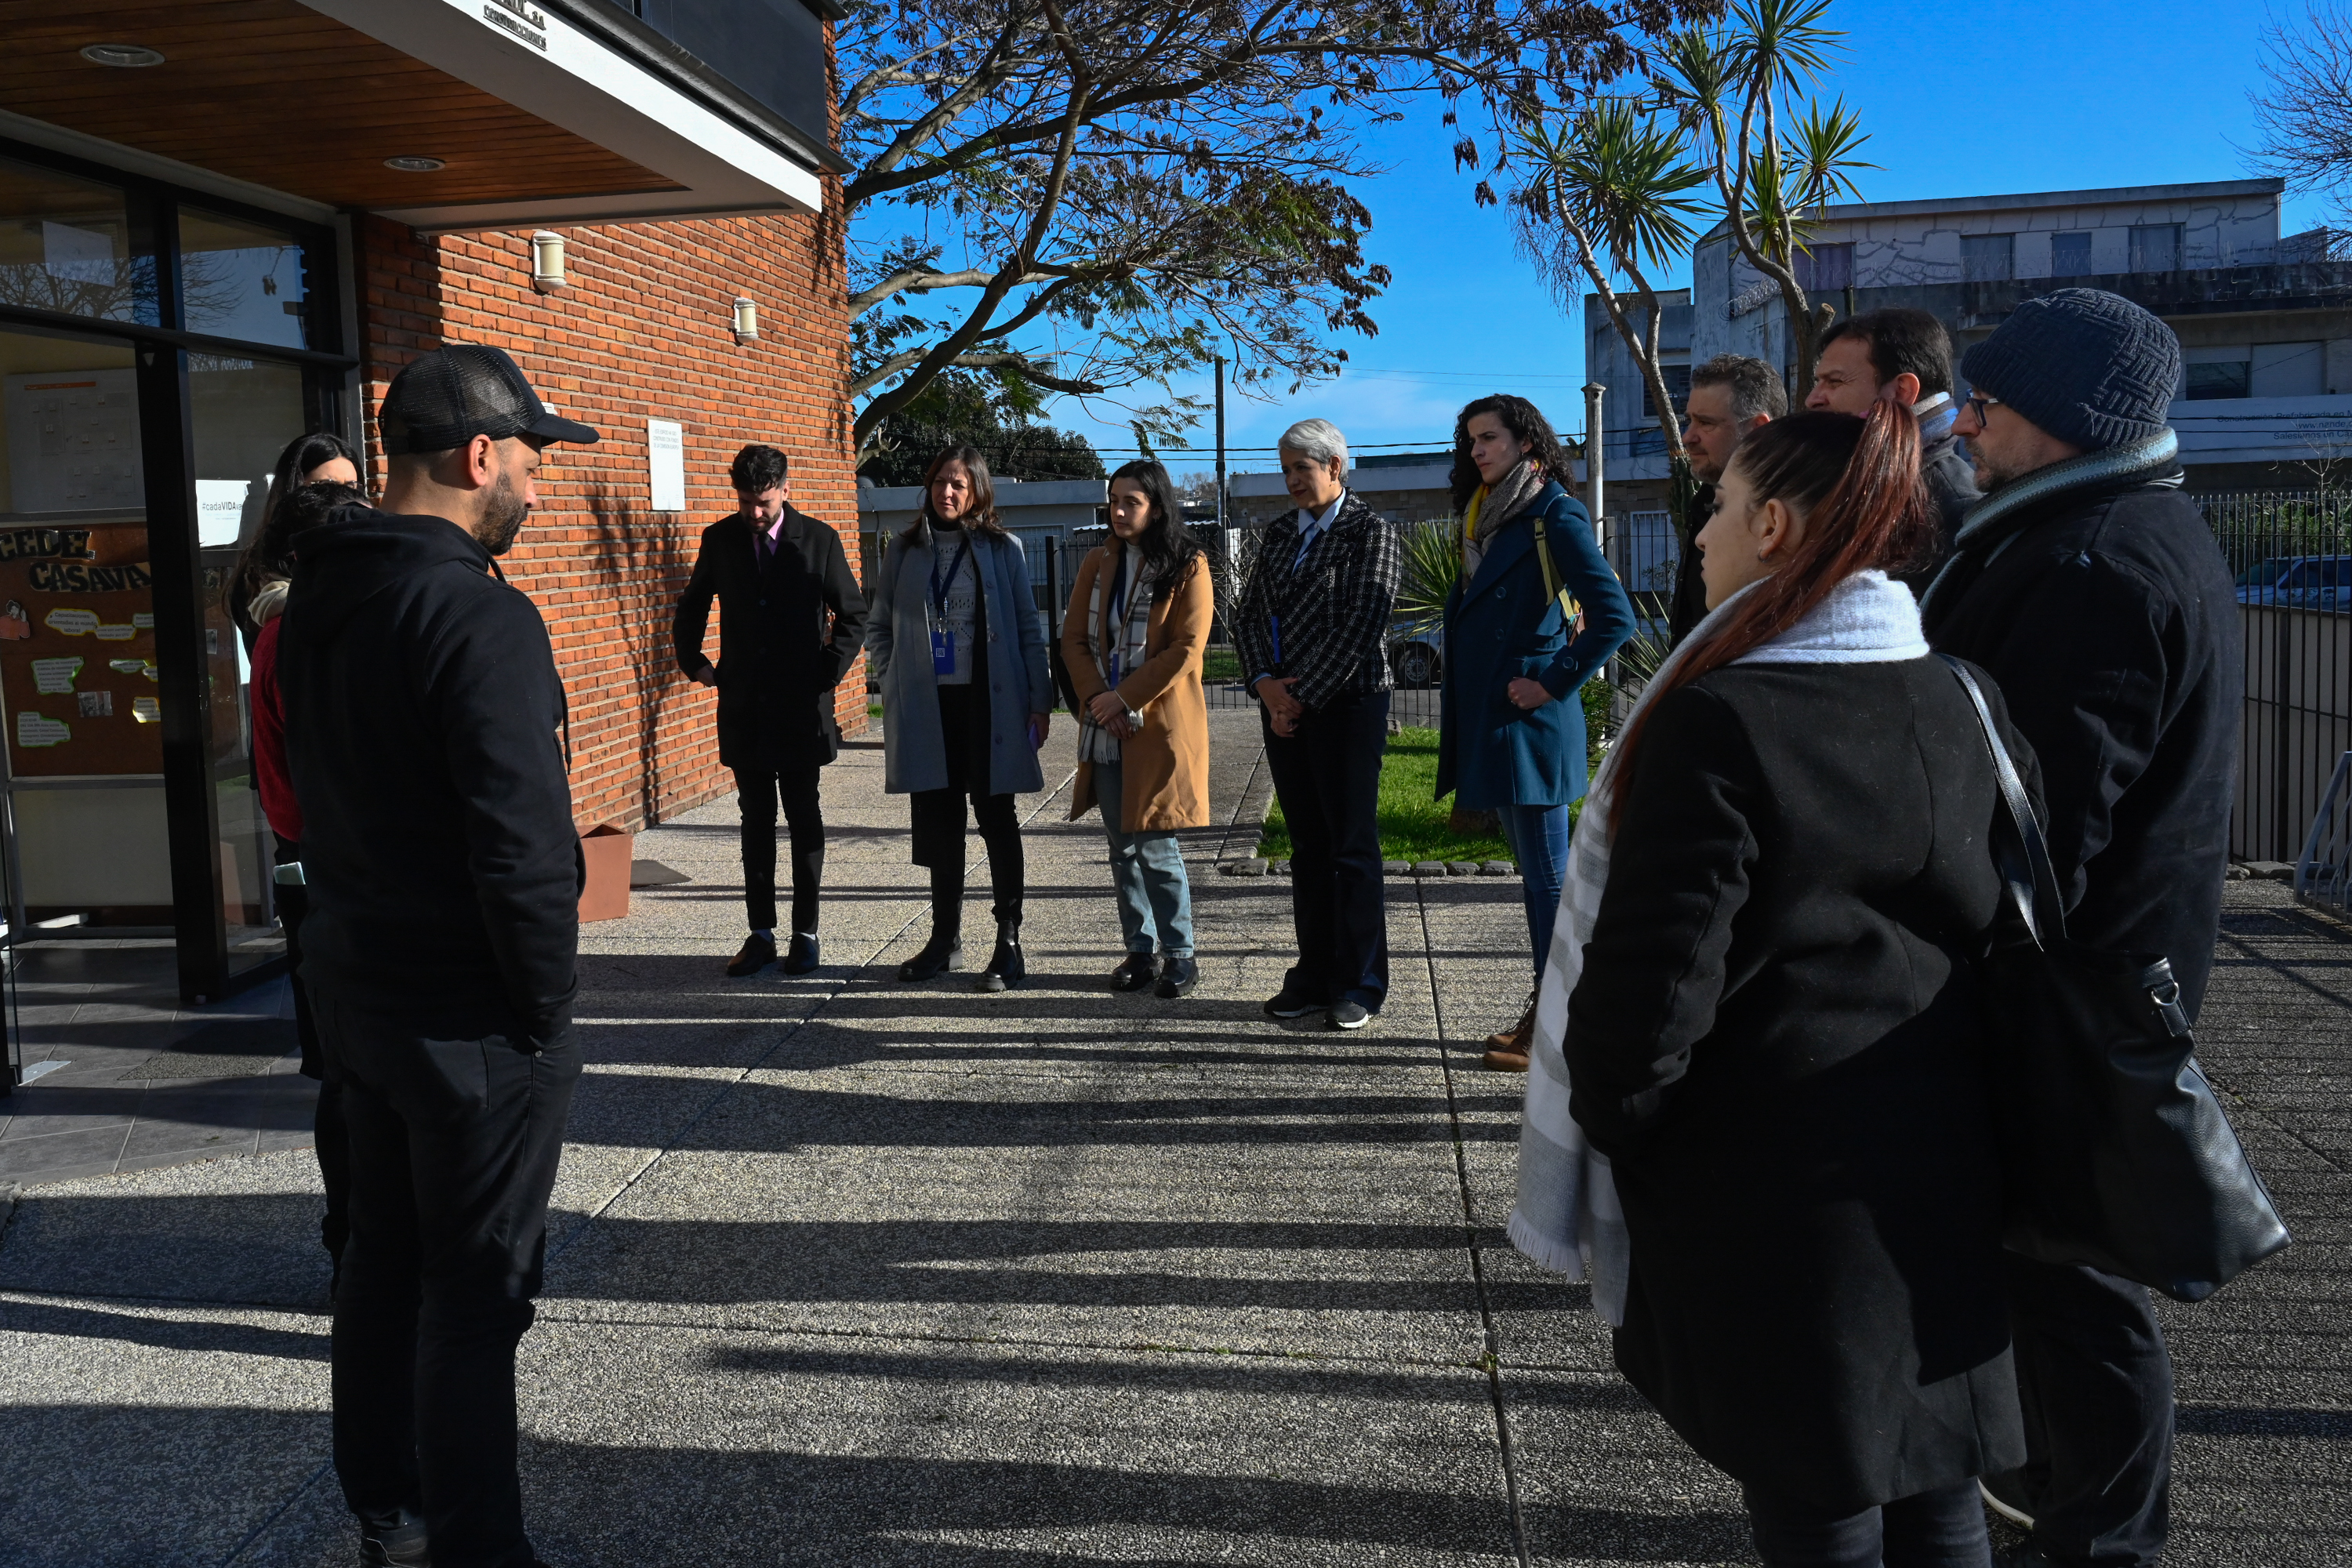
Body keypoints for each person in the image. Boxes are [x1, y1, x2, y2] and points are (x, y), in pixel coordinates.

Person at [1564, 404, 2030, 1567]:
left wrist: (1620, 1126)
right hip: (1952, 1150)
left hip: (1772, 1184)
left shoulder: (1721, 719)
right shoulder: (1964, 695)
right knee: (1938, 1483)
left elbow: (1651, 993)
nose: (1706, 538)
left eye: (1718, 509)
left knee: (1815, 1499)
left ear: (1773, 526)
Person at [1923, 289, 2240, 1568]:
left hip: (2074, 992)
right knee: (2048, 1268)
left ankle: (2104, 1538)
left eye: (1983, 406)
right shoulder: (2092, 530)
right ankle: (2061, 1498)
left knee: (2076, 1278)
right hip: (2093, 979)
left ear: (2054, 422)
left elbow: (2040, 821)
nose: (1962, 425)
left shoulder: (2089, 562)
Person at [280, 342, 598, 1568]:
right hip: (470, 1018)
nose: (534, 483)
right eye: (528, 458)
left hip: (357, 988)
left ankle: (388, 1512)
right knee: (472, 1300)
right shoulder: (476, 612)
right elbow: (522, 850)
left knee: (380, 1263)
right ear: (477, 457)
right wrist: (549, 1012)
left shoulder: (322, 594)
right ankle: (476, 1548)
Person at [1432, 394, 1632, 1069]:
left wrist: (1552, 680)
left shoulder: (1553, 515)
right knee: (1537, 879)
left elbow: (1614, 617)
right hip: (1498, 722)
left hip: (1531, 723)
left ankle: (1557, 1025)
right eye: (1470, 441)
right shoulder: (1484, 518)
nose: (1478, 450)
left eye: (1489, 438)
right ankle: (1554, 1015)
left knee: (1548, 881)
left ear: (1526, 443)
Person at [232, 452, 363, 1288]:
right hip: (327, 872)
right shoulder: (290, 623)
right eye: (328, 493)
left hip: (322, 861)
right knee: (347, 1071)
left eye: (352, 490)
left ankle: (356, 1247)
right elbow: (281, 789)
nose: (343, 506)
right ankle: (354, 1241)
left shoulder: (298, 626)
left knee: (349, 1073)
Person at [1231, 418, 1401, 1030]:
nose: (1292, 482)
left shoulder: (1371, 533)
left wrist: (1302, 698)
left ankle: (1360, 983)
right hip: (1283, 708)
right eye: (1285, 471)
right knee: (1308, 847)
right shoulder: (1278, 533)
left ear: (1335, 467)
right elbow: (1247, 617)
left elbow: (1365, 621)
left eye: (1301, 469)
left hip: (1349, 704)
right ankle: (1314, 974)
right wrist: (1267, 688)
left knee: (1351, 848)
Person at [673, 443, 867, 978]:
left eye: (762, 502)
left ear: (785, 488)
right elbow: (692, 605)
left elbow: (853, 616)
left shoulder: (820, 541)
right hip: (744, 707)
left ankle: (806, 933)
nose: (754, 513)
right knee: (755, 821)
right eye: (745, 502)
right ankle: (760, 933)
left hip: (801, 710)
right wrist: (696, 663)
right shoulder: (720, 539)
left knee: (804, 818)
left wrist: (825, 675)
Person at [866, 446, 1051, 991]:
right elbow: (879, 626)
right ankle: (944, 938)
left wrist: (1039, 701)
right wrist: (894, 674)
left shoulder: (1003, 549)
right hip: (928, 708)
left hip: (989, 704)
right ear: (928, 486)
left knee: (997, 820)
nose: (948, 493)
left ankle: (1008, 941)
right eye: (941, 482)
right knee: (940, 827)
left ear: (977, 493)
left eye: (960, 485)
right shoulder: (903, 552)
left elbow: (1028, 630)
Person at [1061, 459, 1213, 998]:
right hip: (1106, 728)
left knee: (1155, 845)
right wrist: (1102, 703)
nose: (1119, 511)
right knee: (1120, 848)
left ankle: (1181, 955)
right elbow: (1074, 640)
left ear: (1156, 506)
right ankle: (1139, 951)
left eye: (1132, 502)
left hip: (1157, 727)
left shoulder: (1188, 564)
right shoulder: (1098, 561)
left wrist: (1123, 699)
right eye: (1114, 501)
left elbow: (1186, 649)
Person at [1806, 307, 1980, 585]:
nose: (1813, 400)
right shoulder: (1855, 483)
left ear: (1901, 392)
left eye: (1834, 382)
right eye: (1818, 382)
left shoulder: (1959, 514)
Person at [1668, 354, 1786, 643]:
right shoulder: (1704, 501)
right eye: (1689, 421)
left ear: (1758, 429)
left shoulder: (1795, 512)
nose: (1688, 437)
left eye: (1706, 423)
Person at [228, 430, 364, 647]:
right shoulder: (261, 572)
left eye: (351, 487)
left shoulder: (366, 553)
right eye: (325, 487)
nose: (342, 498)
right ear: (294, 490)